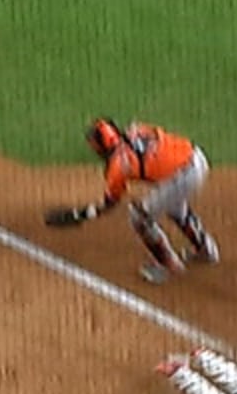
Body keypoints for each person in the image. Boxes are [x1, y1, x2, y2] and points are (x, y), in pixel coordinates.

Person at [43, 118, 218, 283]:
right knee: (174, 206)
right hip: (196, 157)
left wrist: (80, 215)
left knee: (139, 217)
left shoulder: (118, 166)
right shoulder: (137, 129)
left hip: (184, 176)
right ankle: (206, 250)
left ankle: (169, 265)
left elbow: (109, 204)